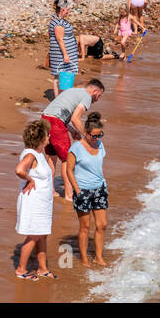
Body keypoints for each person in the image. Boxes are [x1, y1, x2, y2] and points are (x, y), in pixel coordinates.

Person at [41, 79, 105, 201]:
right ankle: (69, 195)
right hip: (55, 123)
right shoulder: (86, 96)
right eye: (99, 95)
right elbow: (75, 118)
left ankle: (50, 190)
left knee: (52, 157)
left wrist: (72, 131)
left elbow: (58, 113)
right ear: (95, 91)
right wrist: (88, 136)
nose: (98, 98)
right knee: (67, 159)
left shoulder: (73, 91)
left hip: (45, 118)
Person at [15, 118, 55, 281]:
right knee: (33, 235)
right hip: (34, 202)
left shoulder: (38, 153)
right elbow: (19, 170)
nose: (49, 137)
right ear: (40, 138)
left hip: (42, 203)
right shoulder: (31, 154)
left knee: (42, 234)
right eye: (47, 135)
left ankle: (42, 268)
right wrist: (30, 180)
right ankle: (21, 269)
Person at [67, 111, 109, 266]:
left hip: (99, 189)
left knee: (102, 224)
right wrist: (77, 191)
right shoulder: (76, 148)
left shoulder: (100, 144)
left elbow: (99, 167)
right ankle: (84, 258)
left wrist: (103, 183)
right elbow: (69, 170)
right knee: (85, 226)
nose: (97, 139)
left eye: (100, 135)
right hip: (83, 190)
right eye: (94, 136)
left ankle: (98, 257)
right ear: (86, 133)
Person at [48, 0, 79, 89]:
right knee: (62, 76)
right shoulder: (58, 23)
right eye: (67, 9)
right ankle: (60, 99)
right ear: (62, 9)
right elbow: (60, 40)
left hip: (63, 53)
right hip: (61, 54)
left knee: (60, 76)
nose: (68, 11)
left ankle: (60, 99)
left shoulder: (59, 20)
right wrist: (66, 55)